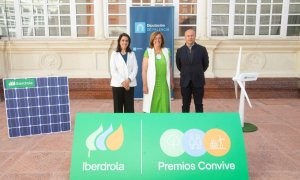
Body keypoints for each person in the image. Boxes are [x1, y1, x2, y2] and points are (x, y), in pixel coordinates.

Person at [176, 29, 209, 113]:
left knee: (199, 104)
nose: (190, 37)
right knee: (185, 104)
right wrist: (187, 72)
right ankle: (185, 123)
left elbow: (205, 65)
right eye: (188, 36)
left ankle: (199, 122)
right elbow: (179, 65)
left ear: (195, 36)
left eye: (192, 35)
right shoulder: (180, 51)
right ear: (185, 37)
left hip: (198, 81)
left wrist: (196, 72)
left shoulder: (202, 49)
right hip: (185, 82)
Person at [142, 31, 174, 113]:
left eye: (159, 38)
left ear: (162, 40)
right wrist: (145, 85)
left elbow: (170, 67)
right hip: (152, 84)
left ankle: (164, 123)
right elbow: (144, 70)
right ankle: (151, 123)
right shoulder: (148, 52)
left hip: (164, 84)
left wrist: (171, 80)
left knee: (164, 105)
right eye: (155, 38)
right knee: (152, 105)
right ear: (152, 40)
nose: (157, 40)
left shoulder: (167, 51)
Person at [110, 33, 138, 113]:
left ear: (129, 42)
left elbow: (135, 68)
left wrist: (128, 80)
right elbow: (113, 70)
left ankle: (129, 125)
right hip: (117, 85)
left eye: (127, 41)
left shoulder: (132, 54)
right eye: (123, 40)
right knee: (118, 109)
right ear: (119, 41)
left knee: (129, 109)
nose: (124, 42)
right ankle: (118, 125)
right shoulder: (114, 54)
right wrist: (123, 81)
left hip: (129, 84)